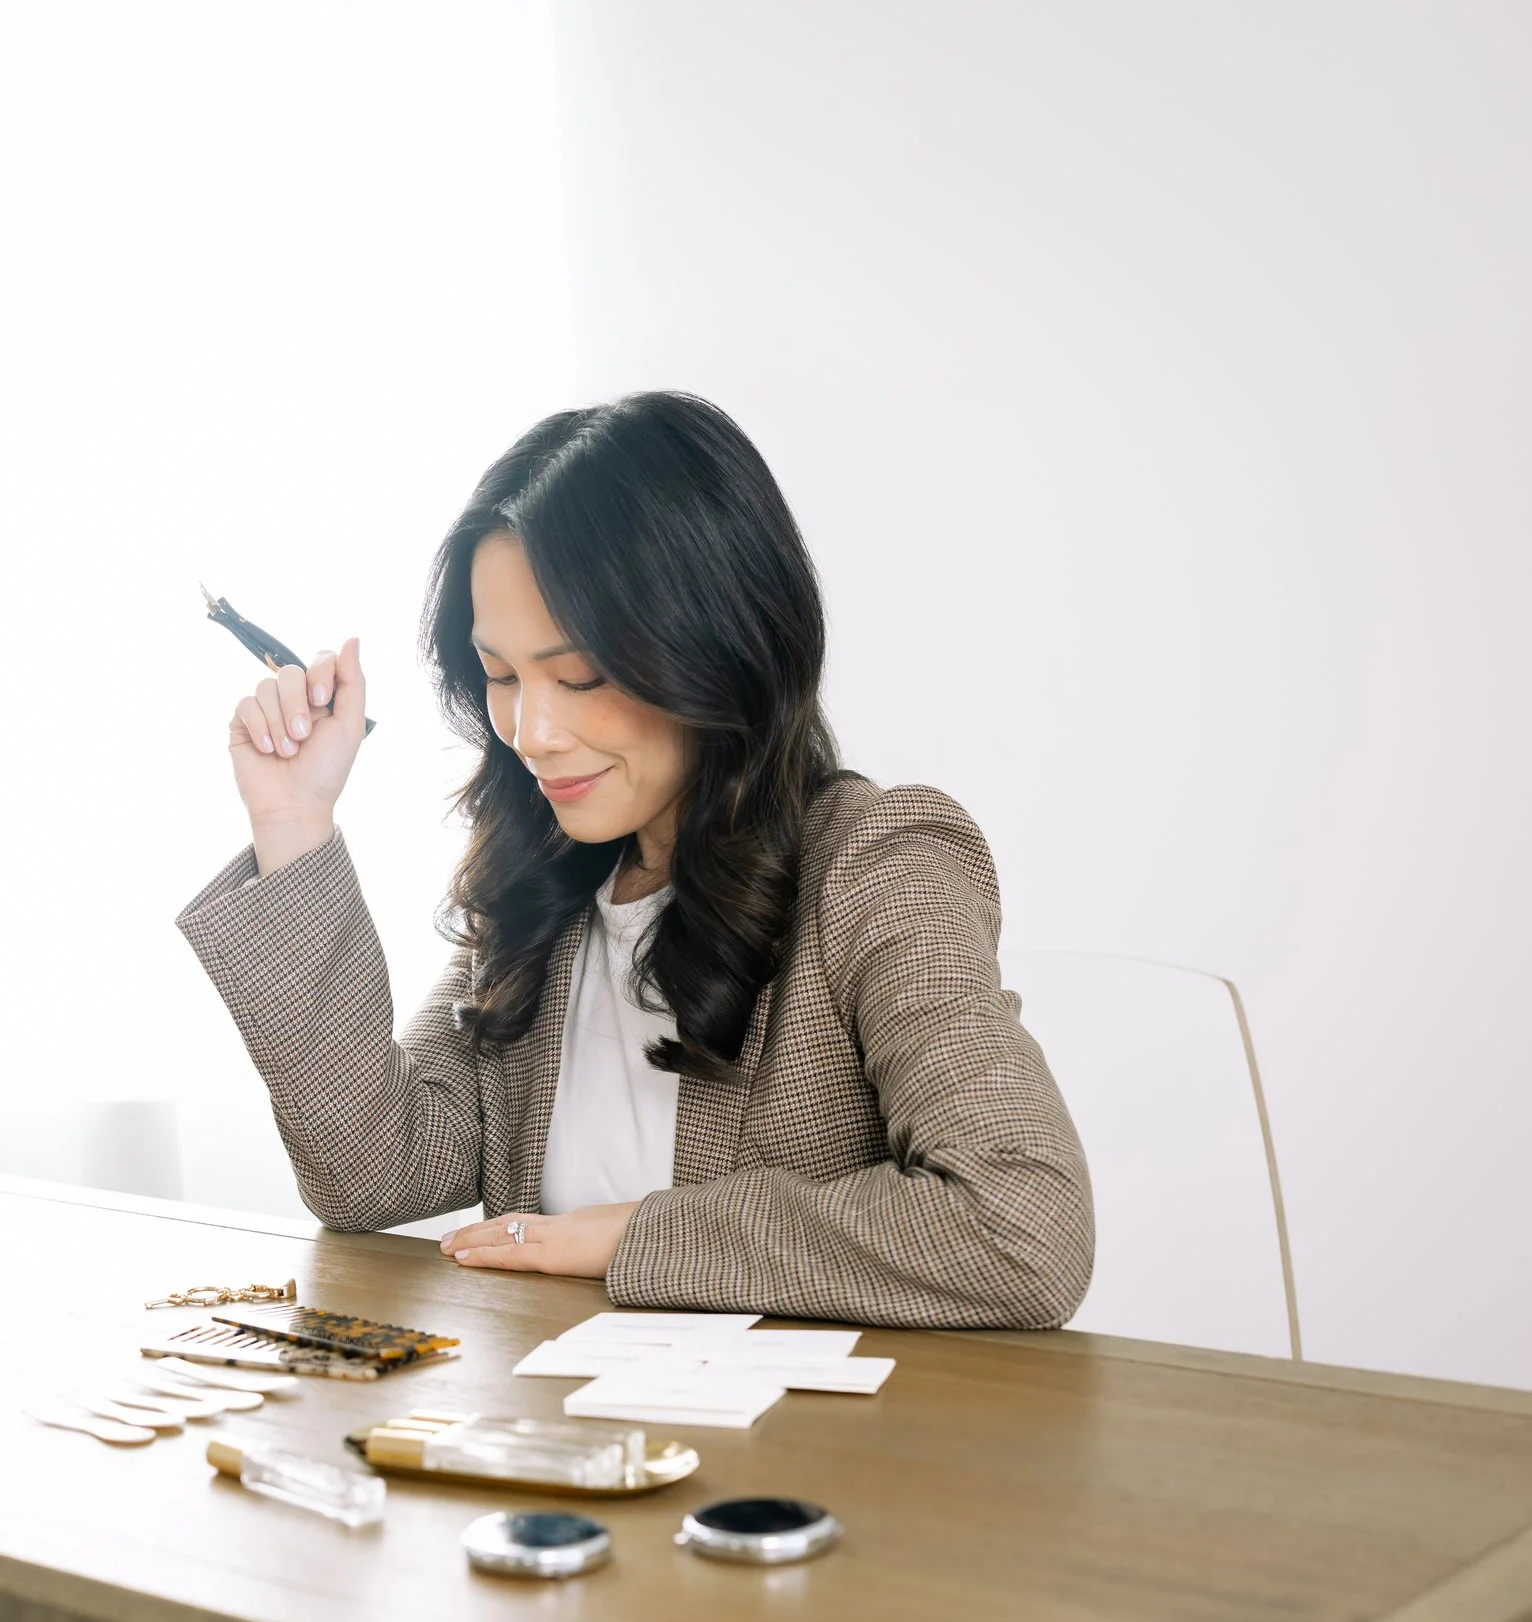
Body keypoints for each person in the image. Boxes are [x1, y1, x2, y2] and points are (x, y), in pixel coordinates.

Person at [173, 391, 1093, 1328]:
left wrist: (632, 1238)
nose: (531, 732)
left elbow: (1024, 1225)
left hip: (799, 1454)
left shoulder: (875, 866)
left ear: (716, 646)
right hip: (571, 1440)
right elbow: (370, 1171)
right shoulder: (549, 890)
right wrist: (294, 821)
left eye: (578, 677)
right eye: (500, 675)